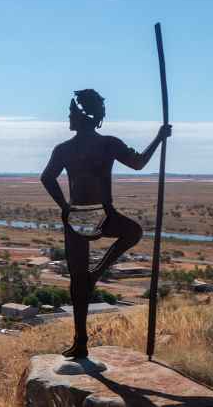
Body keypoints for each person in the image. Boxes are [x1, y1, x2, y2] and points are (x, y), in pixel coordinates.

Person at [40, 89, 171, 359]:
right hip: (100, 214)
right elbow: (138, 163)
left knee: (79, 282)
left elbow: (47, 178)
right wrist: (158, 138)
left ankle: (81, 337)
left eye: (71, 113)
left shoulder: (65, 149)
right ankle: (93, 286)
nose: (68, 118)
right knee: (132, 232)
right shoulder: (107, 144)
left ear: (82, 116)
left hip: (77, 217)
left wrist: (64, 207)